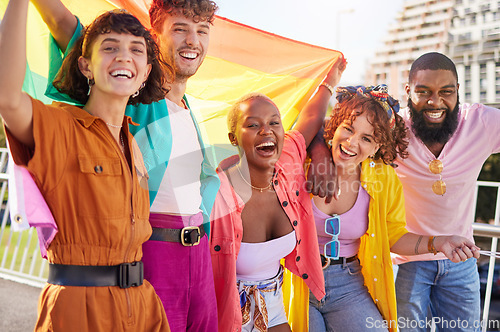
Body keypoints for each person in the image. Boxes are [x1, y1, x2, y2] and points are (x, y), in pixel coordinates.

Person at [31, 0, 221, 330]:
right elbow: (64, 25)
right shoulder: (130, 96)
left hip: (198, 257)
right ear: (154, 35)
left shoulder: (190, 108)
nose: (193, 41)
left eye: (202, 31)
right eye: (180, 29)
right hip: (150, 254)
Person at [0, 1, 170, 331]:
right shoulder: (59, 126)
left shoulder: (133, 144)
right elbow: (7, 98)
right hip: (79, 308)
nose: (123, 56)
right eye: (110, 47)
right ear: (85, 66)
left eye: (136, 49)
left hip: (143, 306)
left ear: (145, 72)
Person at [307, 85, 480, 332]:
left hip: (348, 283)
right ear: (333, 128)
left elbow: (394, 236)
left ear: (377, 147)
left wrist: (439, 242)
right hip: (299, 280)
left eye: (367, 139)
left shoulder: (383, 179)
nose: (352, 142)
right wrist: (317, 152)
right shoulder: (303, 167)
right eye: (348, 129)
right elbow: (293, 127)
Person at [209, 56, 346, 331]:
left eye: (274, 122)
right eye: (252, 125)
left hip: (273, 299)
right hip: (223, 310)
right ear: (233, 138)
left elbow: (310, 119)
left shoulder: (288, 164)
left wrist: (330, 82)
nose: (266, 131)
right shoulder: (216, 195)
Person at [391, 52, 500, 331]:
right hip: (406, 263)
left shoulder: (482, 123)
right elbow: (336, 136)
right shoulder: (390, 129)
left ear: (458, 92)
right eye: (423, 92)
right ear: (408, 92)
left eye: (446, 92)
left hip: (461, 261)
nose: (435, 102)